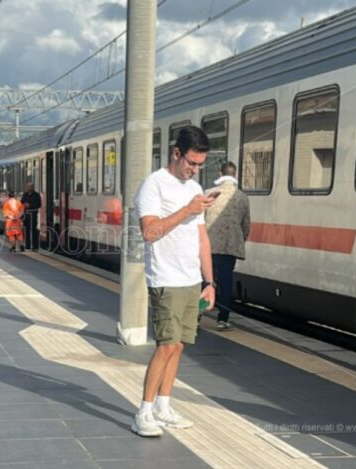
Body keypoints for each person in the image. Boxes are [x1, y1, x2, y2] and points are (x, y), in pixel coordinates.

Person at [132, 125, 218, 437]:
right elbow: (150, 232)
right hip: (165, 278)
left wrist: (210, 282)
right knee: (166, 345)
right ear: (176, 153)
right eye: (190, 163)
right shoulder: (153, 186)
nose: (194, 170)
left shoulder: (195, 190)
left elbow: (202, 239)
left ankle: (163, 406)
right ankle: (143, 411)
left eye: (200, 165)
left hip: (191, 279)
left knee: (179, 345)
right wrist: (187, 210)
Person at [204, 161, 251, 331]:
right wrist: (239, 240)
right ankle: (222, 319)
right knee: (226, 282)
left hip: (208, 247)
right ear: (235, 175)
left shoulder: (209, 193)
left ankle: (198, 315)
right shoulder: (242, 197)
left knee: (206, 280)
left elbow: (199, 223)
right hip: (230, 249)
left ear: (219, 174)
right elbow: (246, 226)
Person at [20, 182, 42, 251]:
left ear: (32, 187)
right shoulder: (25, 195)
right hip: (26, 215)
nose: (28, 188)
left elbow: (39, 204)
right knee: (26, 230)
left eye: (29, 187)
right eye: (27, 187)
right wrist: (24, 204)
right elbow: (21, 202)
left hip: (33, 215)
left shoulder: (36, 195)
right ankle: (27, 245)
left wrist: (30, 205)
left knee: (34, 231)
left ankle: (35, 246)